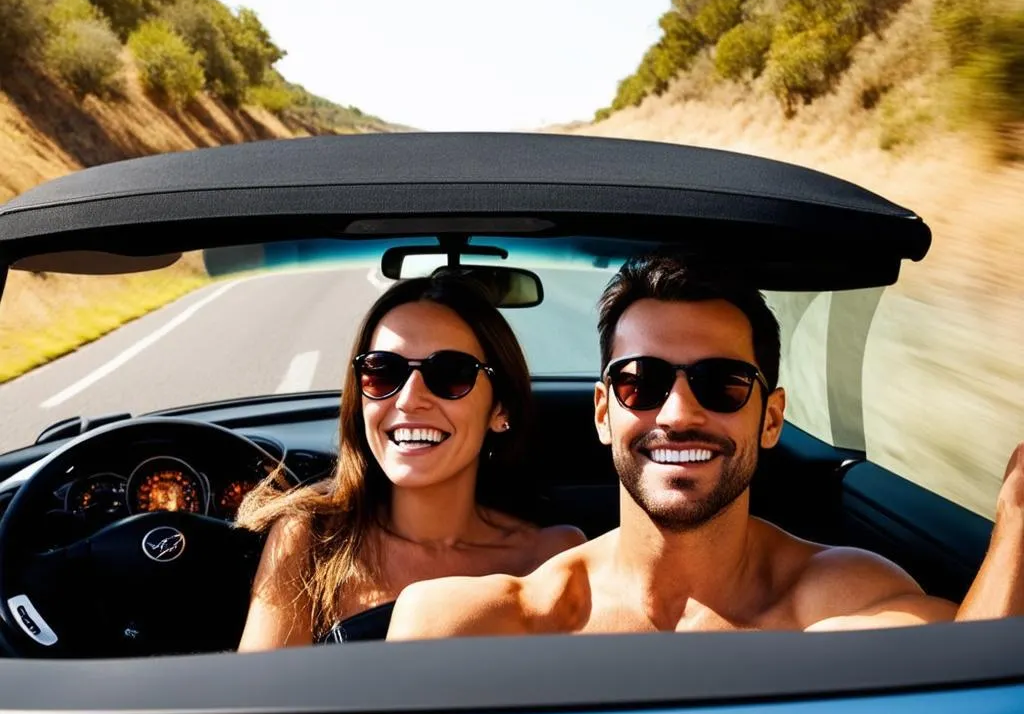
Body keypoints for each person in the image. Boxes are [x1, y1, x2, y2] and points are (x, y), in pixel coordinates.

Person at [388, 256, 1024, 638]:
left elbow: (973, 691)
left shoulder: (842, 598)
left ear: (770, 418)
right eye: (642, 382)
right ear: (604, 413)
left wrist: (1018, 516)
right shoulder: (477, 624)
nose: (680, 412)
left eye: (722, 384)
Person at [236, 274, 584, 650]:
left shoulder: (552, 556)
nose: (408, 399)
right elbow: (257, 702)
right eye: (383, 372)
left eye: (450, 375)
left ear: (500, 409)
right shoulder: (308, 540)